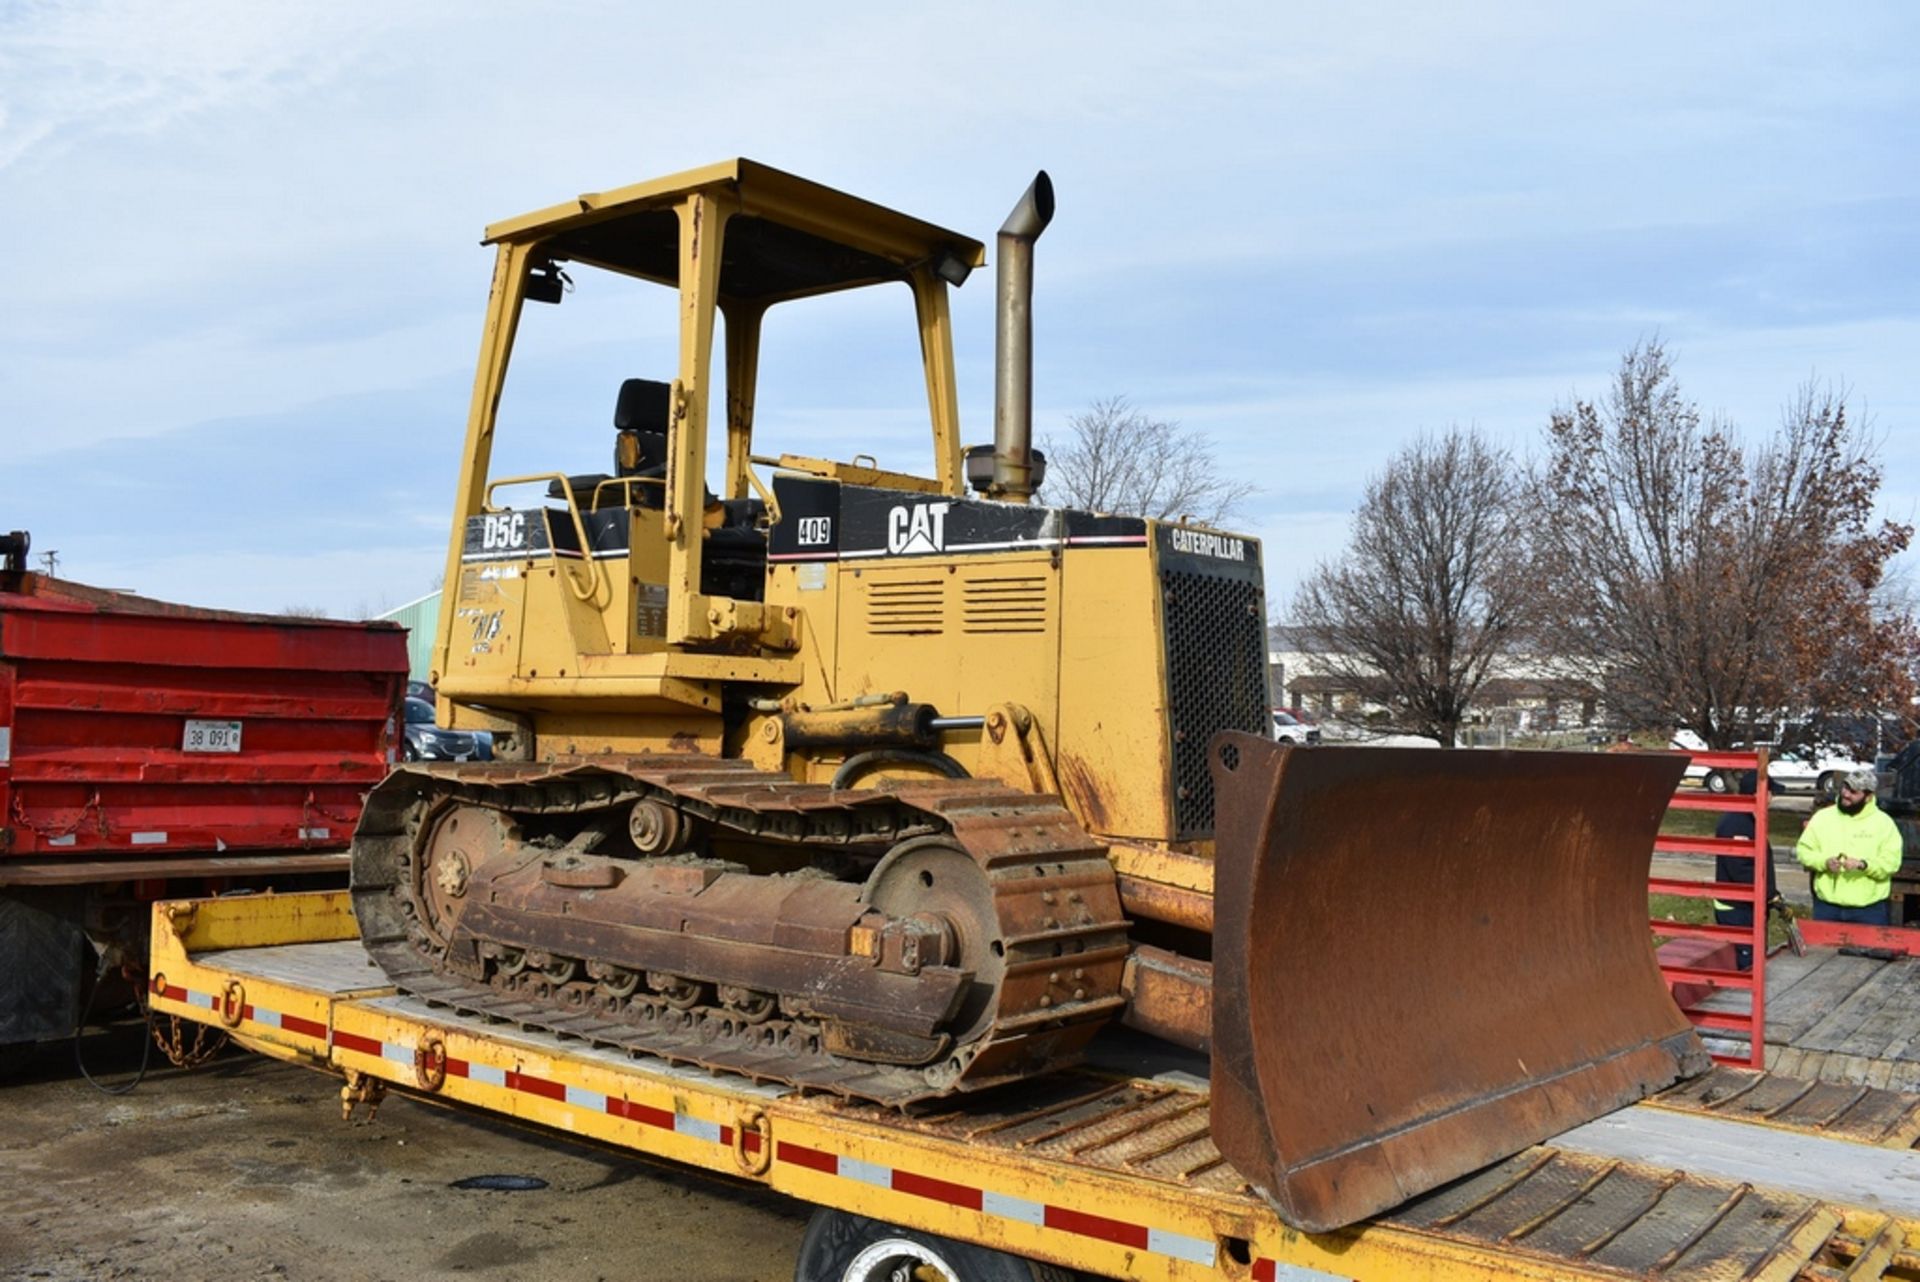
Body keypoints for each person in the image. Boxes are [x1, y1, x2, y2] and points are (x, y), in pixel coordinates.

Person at [1794, 767, 1903, 925]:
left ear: (1868, 796)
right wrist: (1824, 862)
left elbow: (1891, 863)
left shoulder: (1884, 824)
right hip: (1826, 908)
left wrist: (1863, 865)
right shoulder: (1822, 818)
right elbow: (1804, 851)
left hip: (1869, 911)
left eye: (1853, 792)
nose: (1846, 794)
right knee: (1820, 951)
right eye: (1845, 787)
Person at [1711, 770, 1769, 968]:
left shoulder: (1751, 819)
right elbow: (1739, 867)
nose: (1772, 798)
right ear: (1757, 794)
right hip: (1736, 908)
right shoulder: (1735, 824)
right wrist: (1768, 892)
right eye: (1770, 793)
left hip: (1750, 905)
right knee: (1746, 961)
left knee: (1756, 958)